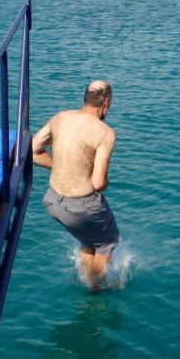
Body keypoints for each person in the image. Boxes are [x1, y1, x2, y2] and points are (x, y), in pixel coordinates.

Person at [32, 80, 120, 290]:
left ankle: (87, 278)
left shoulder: (60, 117)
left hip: (53, 202)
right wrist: (105, 181)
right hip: (82, 207)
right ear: (106, 102)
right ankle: (96, 289)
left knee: (89, 240)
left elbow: (32, 152)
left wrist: (64, 167)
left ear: (86, 98)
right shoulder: (104, 133)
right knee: (107, 242)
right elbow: (98, 182)